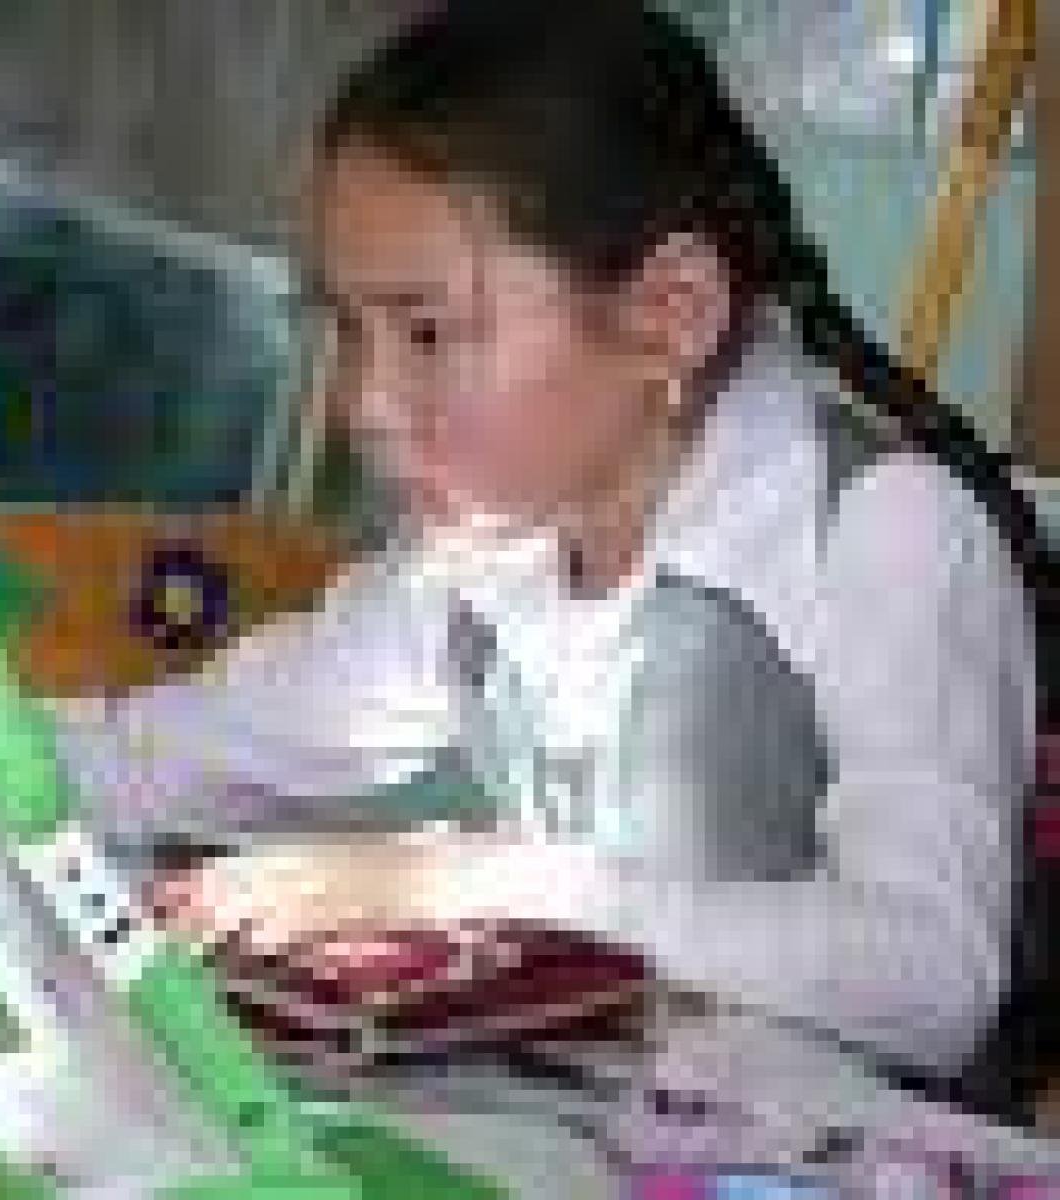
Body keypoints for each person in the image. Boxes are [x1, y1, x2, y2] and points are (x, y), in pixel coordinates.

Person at [54, 0, 1037, 1122]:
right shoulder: (484, 553)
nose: (365, 405)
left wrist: (476, 883)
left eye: (425, 332)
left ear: (668, 315)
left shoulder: (879, 529)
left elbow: (928, 979)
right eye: (348, 330)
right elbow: (162, 759)